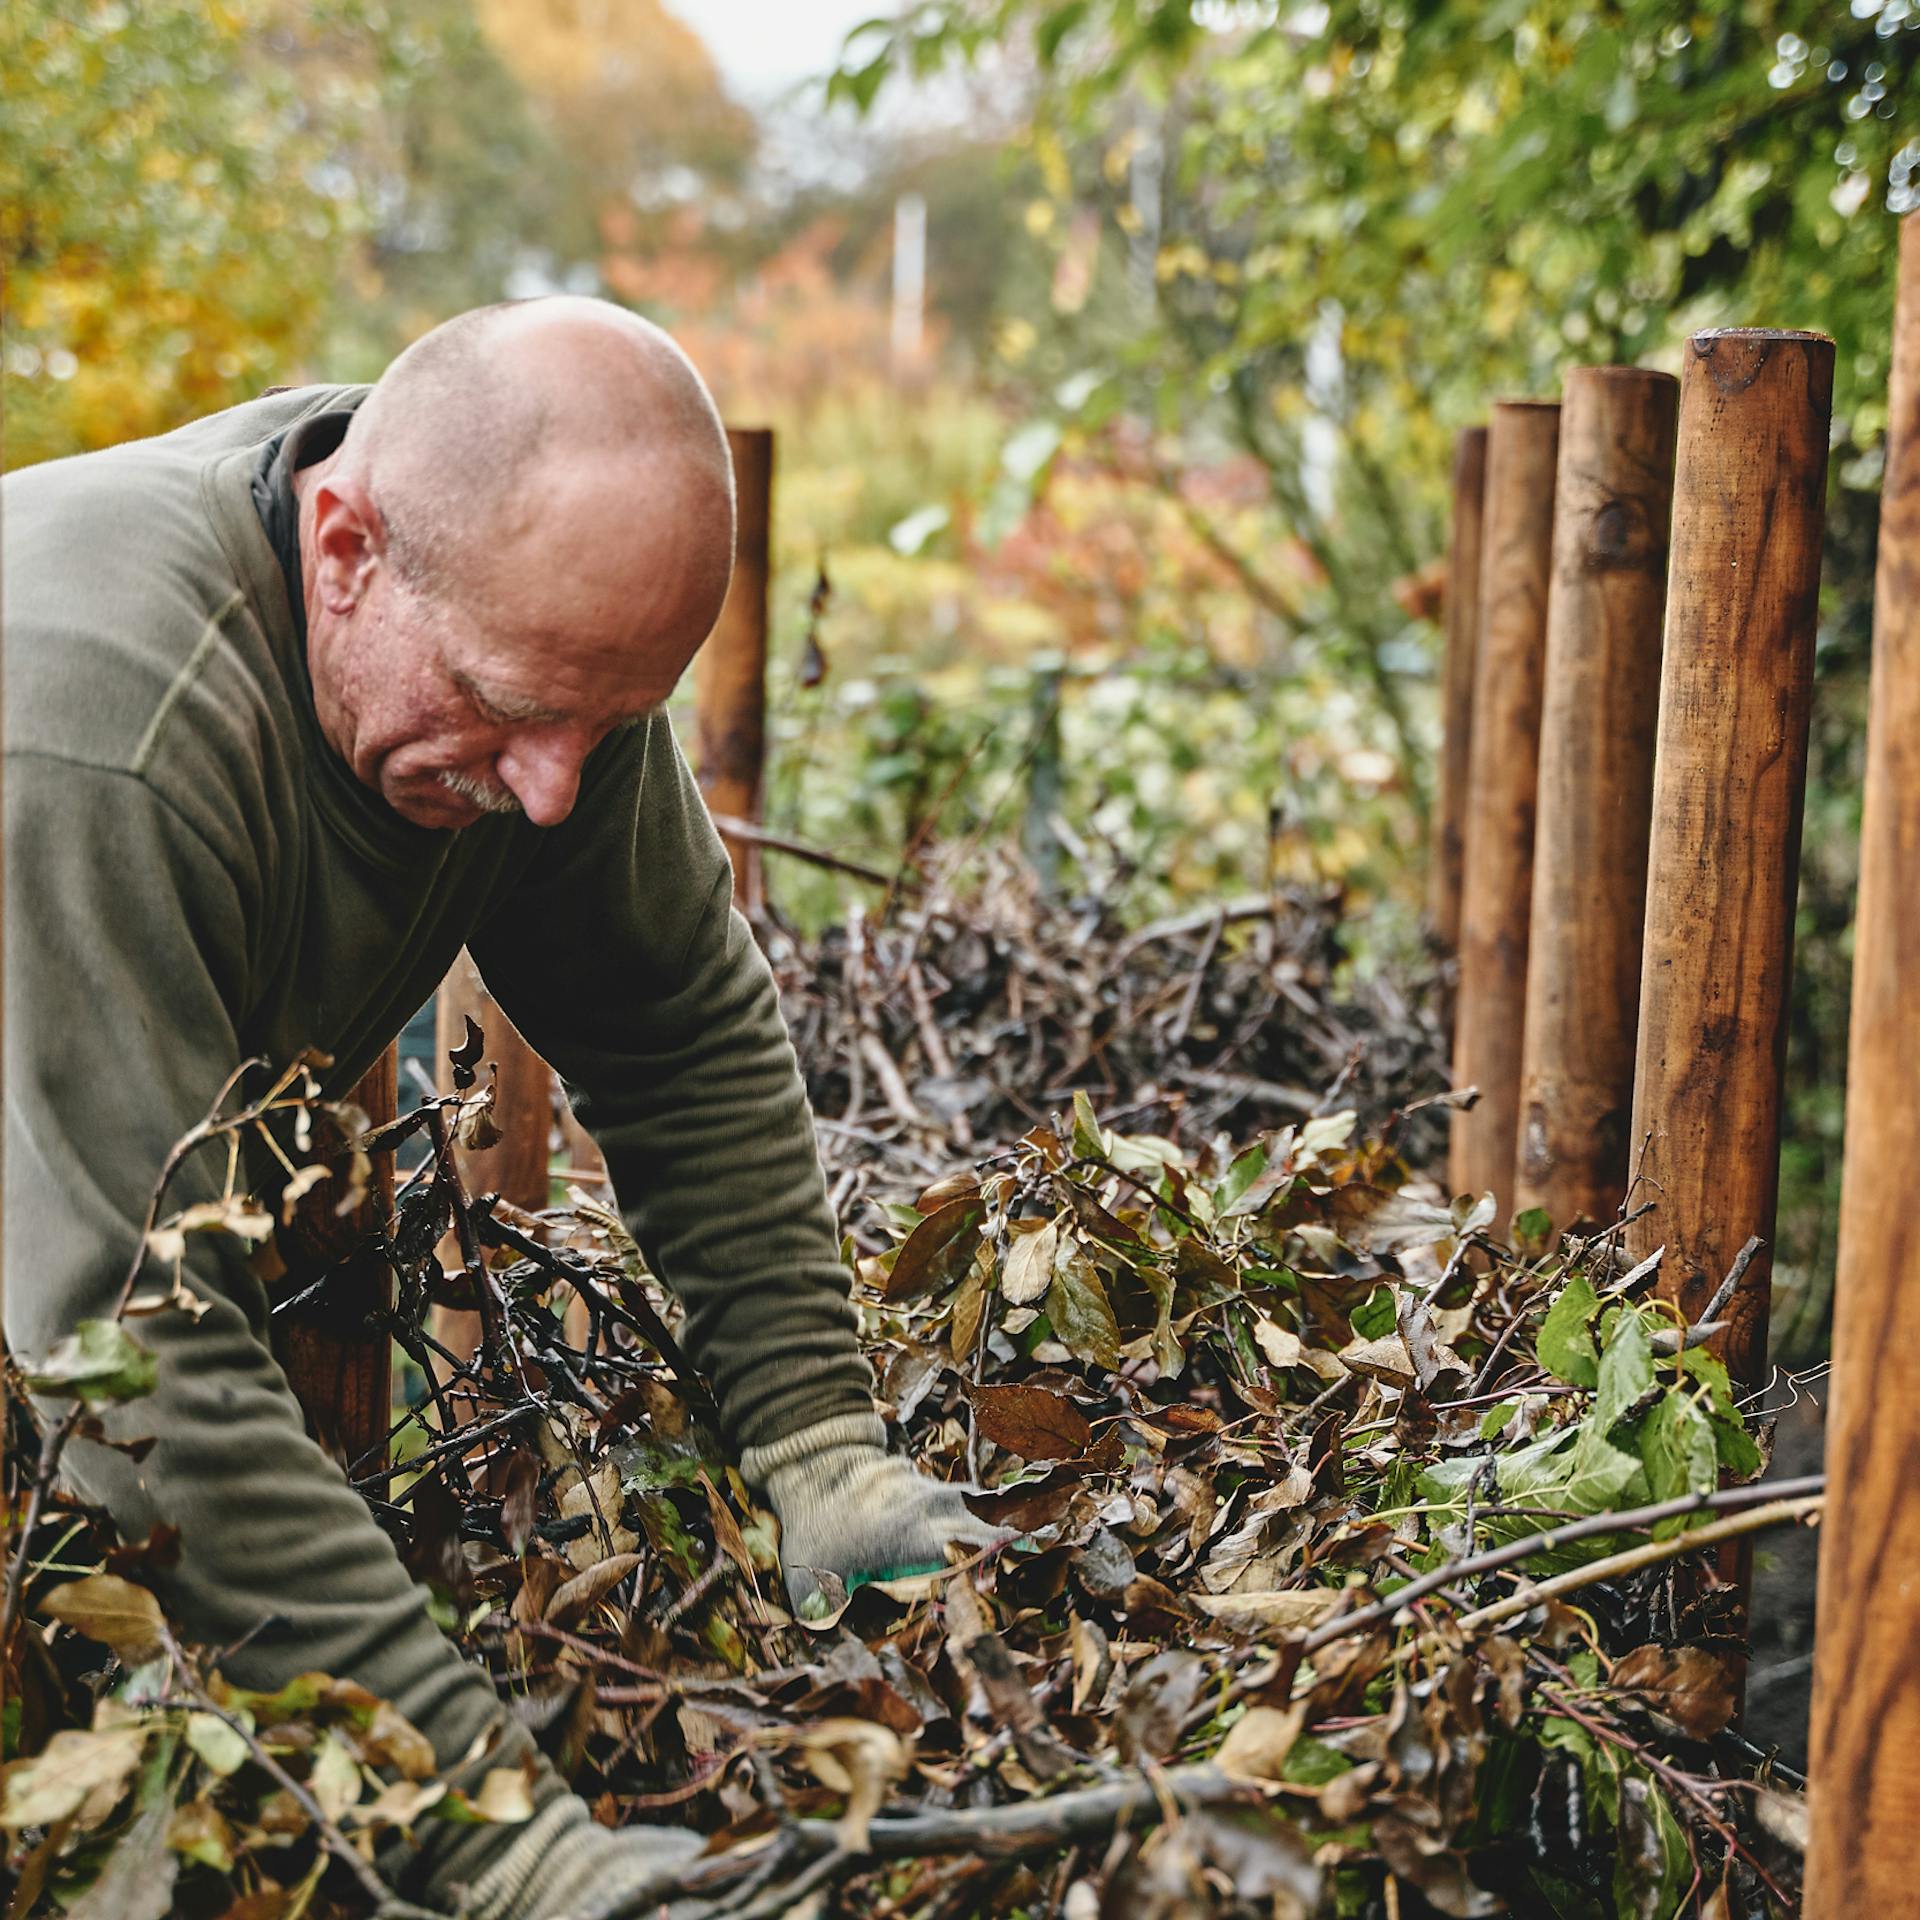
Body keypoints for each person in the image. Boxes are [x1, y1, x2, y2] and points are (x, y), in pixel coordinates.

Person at [3, 298, 998, 1918]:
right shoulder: (95, 733)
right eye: (515, 707)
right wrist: (502, 1839)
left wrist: (825, 1449)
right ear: (345, 552)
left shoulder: (518, 624)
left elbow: (675, 1029)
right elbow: (126, 1363)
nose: (553, 790)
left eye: (607, 728)